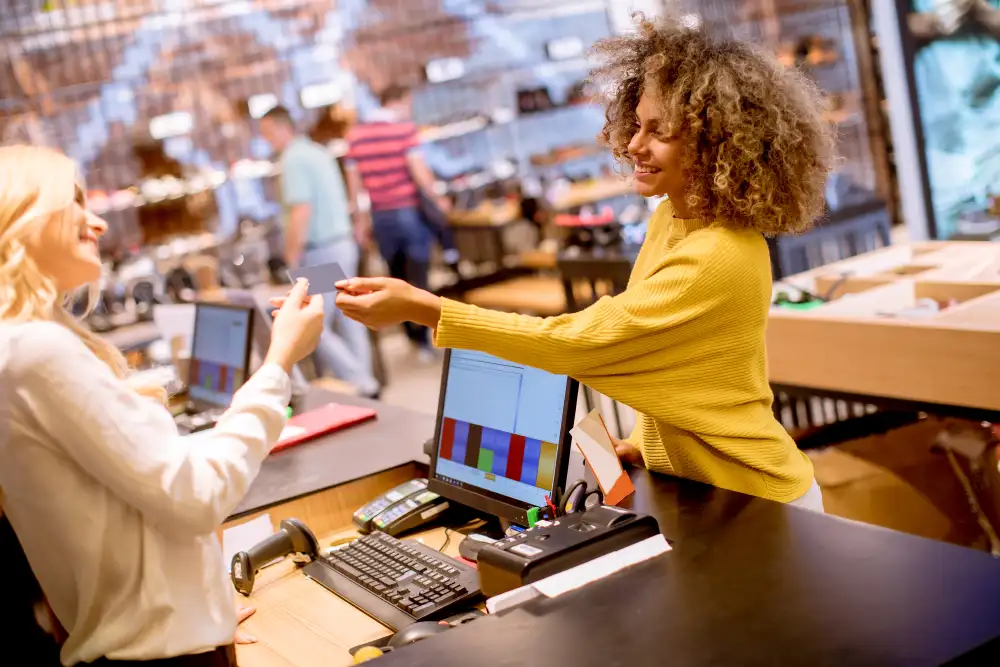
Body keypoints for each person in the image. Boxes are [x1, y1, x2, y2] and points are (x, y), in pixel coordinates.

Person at [294, 19, 836, 510]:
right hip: (708, 492)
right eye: (637, 124)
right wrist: (654, 448)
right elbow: (692, 376)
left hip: (761, 502)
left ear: (715, 142)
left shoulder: (719, 255)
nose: (634, 144)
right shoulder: (672, 218)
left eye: (659, 132)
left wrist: (430, 310)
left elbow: (578, 342)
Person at [0, 144, 325, 665]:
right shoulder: (35, 351)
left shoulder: (22, 346)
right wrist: (279, 361)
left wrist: (197, 607)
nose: (99, 222)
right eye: (75, 204)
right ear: (24, 221)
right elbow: (196, 494)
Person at [258, 105, 381, 398]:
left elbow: (301, 211)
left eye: (267, 133)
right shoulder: (316, 151)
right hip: (342, 243)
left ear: (281, 127)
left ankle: (362, 383)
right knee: (351, 317)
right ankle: (365, 383)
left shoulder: (294, 160)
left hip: (321, 251)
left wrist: (290, 254)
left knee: (312, 322)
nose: (267, 140)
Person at [344, 85, 455, 361]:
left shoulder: (356, 138)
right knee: (419, 280)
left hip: (382, 218)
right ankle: (430, 337)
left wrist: (360, 221)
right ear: (399, 101)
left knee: (395, 279)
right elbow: (419, 173)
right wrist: (438, 199)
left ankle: (414, 339)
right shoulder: (404, 131)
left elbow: (354, 188)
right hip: (408, 212)